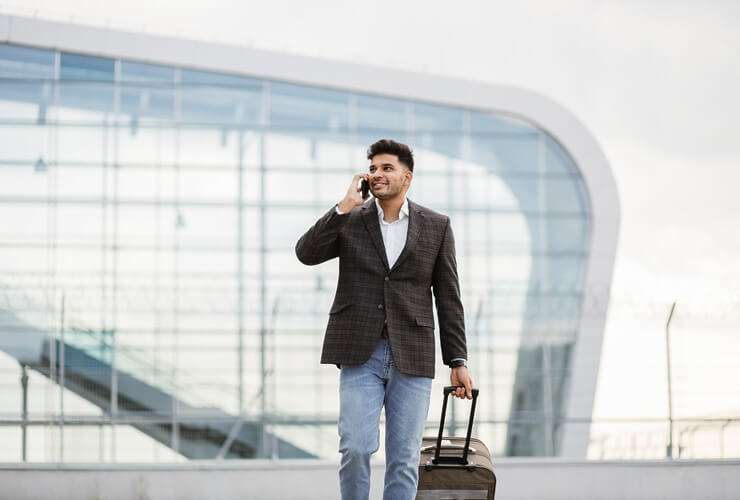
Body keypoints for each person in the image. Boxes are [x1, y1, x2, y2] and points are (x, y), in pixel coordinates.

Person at [295, 139, 474, 500]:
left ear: (407, 177)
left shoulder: (437, 226)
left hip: (413, 353)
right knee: (356, 447)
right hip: (361, 351)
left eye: (386, 168)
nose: (377, 174)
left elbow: (448, 297)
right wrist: (343, 207)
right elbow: (306, 253)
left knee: (404, 460)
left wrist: (457, 360)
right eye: (372, 168)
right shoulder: (351, 219)